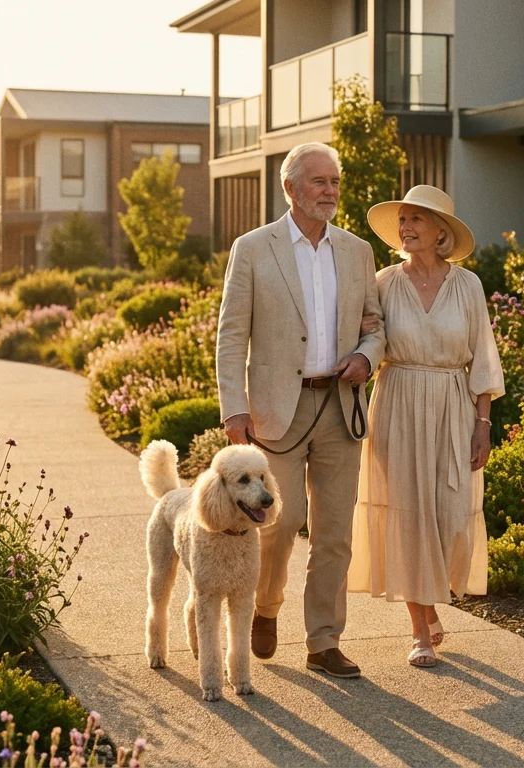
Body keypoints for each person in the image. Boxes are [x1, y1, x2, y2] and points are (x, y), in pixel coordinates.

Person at [215, 142, 386, 679]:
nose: (330, 192)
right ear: (290, 188)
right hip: (273, 412)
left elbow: (375, 324)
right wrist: (234, 408)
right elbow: (231, 335)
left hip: (339, 405)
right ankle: (266, 609)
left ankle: (323, 641)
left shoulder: (357, 251)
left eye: (334, 181)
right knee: (279, 522)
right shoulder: (253, 248)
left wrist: (365, 355)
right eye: (319, 182)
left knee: (335, 530)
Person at [348, 185, 505, 668]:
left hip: (454, 404)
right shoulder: (382, 282)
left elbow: (483, 357)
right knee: (409, 512)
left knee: (452, 514)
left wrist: (483, 424)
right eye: (403, 220)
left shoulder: (469, 285)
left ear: (442, 232)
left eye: (417, 219)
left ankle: (433, 604)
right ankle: (419, 627)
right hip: (397, 401)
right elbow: (367, 341)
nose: (407, 227)